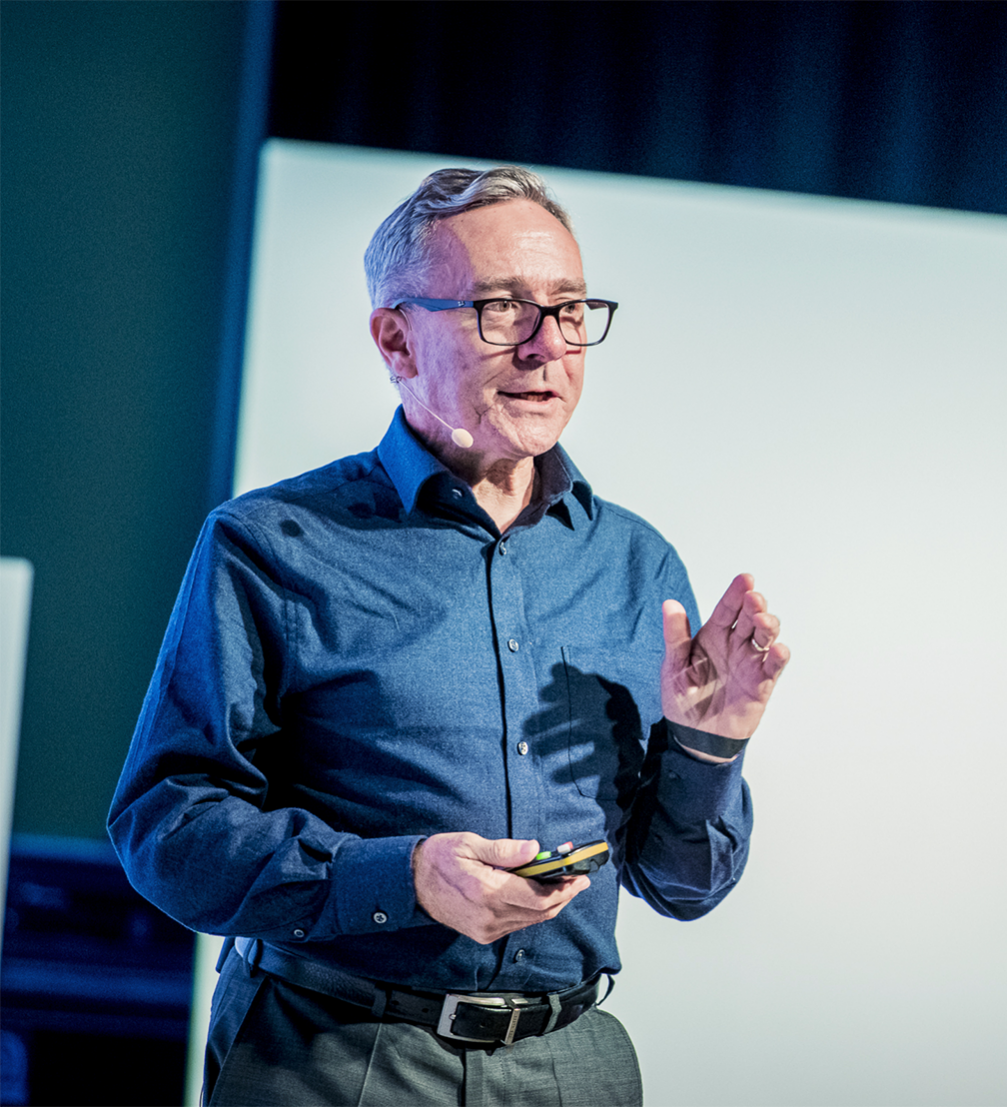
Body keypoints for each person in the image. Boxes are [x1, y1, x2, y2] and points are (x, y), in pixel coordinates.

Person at [109, 166, 788, 1106]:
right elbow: (168, 825)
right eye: (501, 310)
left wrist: (713, 741)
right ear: (395, 337)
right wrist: (404, 876)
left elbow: (681, 884)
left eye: (568, 309)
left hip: (570, 1063)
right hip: (335, 1054)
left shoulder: (636, 564)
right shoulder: (272, 544)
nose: (547, 347)